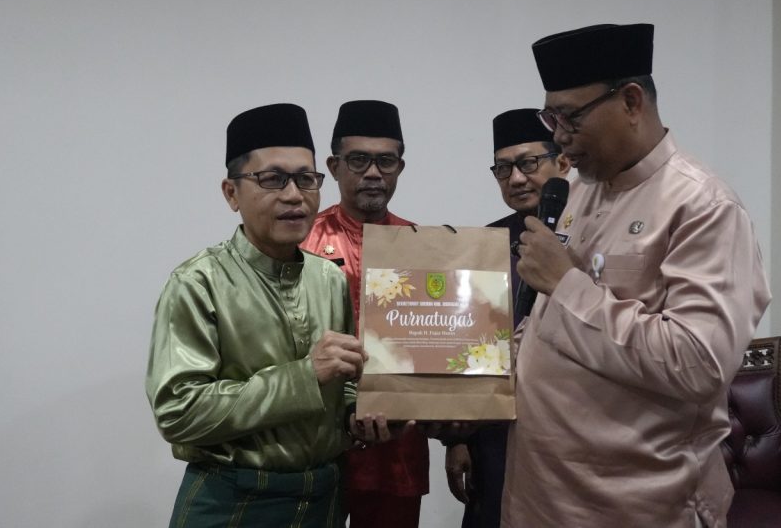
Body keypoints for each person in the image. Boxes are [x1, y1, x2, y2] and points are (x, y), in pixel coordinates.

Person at [503, 24, 772, 527]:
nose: (558, 135)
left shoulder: (703, 207)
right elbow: (546, 327)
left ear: (630, 101)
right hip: (540, 492)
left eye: (570, 116)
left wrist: (565, 285)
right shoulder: (578, 192)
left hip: (635, 504)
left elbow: (698, 363)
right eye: (550, 117)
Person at [146, 103, 392, 528]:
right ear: (231, 193)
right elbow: (178, 412)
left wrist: (358, 415)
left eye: (306, 179)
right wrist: (304, 376)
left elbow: (343, 385)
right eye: (272, 179)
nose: (294, 195)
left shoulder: (328, 279)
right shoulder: (198, 283)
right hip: (233, 500)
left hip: (323, 498)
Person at [300, 100, 428, 528]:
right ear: (334, 167)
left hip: (399, 447)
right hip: (318, 445)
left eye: (385, 161)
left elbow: (442, 346)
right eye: (358, 160)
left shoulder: (423, 246)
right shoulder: (300, 243)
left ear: (400, 168)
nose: (373, 173)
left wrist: (461, 440)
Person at [444, 108, 569, 528]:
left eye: (528, 163)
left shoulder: (591, 234)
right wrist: (458, 440)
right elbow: (467, 347)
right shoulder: (485, 244)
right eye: (503, 169)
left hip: (566, 429)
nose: (515, 179)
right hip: (495, 433)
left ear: (562, 162)